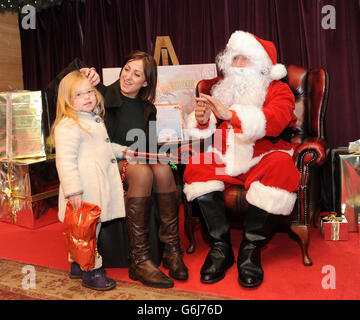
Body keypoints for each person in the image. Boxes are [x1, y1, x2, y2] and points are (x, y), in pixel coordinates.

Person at [183, 30, 301, 288]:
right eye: (234, 59)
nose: (237, 66)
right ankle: (220, 248)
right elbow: (207, 127)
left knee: (283, 166)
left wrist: (231, 115)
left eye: (244, 59)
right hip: (227, 157)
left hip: (263, 157)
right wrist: (202, 120)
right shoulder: (221, 88)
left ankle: (250, 249)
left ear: (261, 64)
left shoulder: (279, 91)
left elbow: (275, 120)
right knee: (197, 166)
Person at [81, 51, 188, 289]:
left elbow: (145, 146)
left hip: (135, 159)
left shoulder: (148, 108)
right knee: (142, 171)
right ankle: (139, 259)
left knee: (162, 169)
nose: (128, 76)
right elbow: (66, 96)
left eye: (136, 74)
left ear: (146, 82)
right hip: (107, 158)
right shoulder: (100, 95)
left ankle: (171, 249)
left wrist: (160, 154)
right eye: (127, 68)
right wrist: (81, 77)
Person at [52, 70, 126, 291]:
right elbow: (65, 161)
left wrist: (123, 151)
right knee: (88, 233)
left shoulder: (92, 118)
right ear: (66, 100)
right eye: (78, 95)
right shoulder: (68, 125)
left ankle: (77, 264)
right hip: (84, 190)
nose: (87, 97)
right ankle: (92, 270)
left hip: (96, 186)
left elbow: (101, 146)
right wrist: (73, 190)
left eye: (90, 92)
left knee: (84, 230)